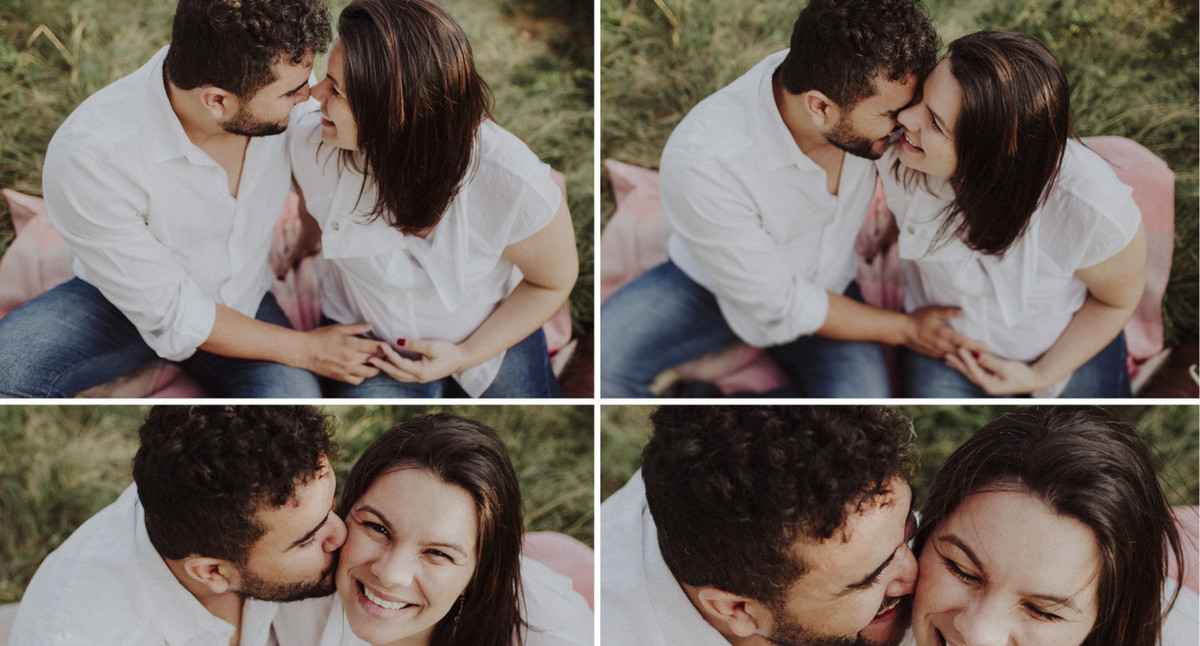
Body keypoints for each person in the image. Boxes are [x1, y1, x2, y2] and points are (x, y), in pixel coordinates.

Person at [600, 0, 997, 398]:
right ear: (820, 107)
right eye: (893, 113)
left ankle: (714, 400)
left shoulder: (875, 97)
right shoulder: (703, 162)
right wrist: (906, 329)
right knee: (604, 368)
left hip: (834, 287)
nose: (908, 123)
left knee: (857, 410)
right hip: (715, 288)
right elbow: (781, 303)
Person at [0, 0, 392, 399]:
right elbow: (172, 311)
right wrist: (309, 349)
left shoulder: (279, 88)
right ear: (216, 101)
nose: (310, 95)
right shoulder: (90, 158)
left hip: (244, 302)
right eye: (293, 91)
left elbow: (317, 166)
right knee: (7, 374)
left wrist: (309, 230)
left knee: (293, 401)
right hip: (120, 304)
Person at [0, 406, 386, 646]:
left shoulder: (221, 503)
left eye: (330, 505)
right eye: (308, 539)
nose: (340, 534)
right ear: (212, 572)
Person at [835, 407, 1199, 646]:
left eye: (1042, 610)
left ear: (1104, 623)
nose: (977, 633)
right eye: (961, 570)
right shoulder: (852, 597)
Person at [601, 406, 918, 646]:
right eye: (869, 579)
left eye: (908, 531)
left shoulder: (764, 502)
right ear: (736, 609)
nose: (914, 574)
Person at [273, 414, 594, 646]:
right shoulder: (292, 585)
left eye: (438, 553)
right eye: (376, 527)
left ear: (481, 572)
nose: (391, 574)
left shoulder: (551, 640)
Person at [289, 0, 579, 398]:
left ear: (396, 114)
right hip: (369, 341)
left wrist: (464, 355)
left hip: (488, 333)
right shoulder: (310, 143)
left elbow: (552, 282)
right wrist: (306, 236)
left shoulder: (514, 184)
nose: (314, 93)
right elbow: (311, 198)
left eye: (336, 89)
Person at [882, 31, 1146, 397]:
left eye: (936, 123)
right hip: (947, 345)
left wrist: (1039, 376)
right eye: (921, 97)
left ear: (996, 149)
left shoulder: (1091, 208)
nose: (905, 117)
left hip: (1061, 348)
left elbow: (1116, 302)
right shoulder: (894, 148)